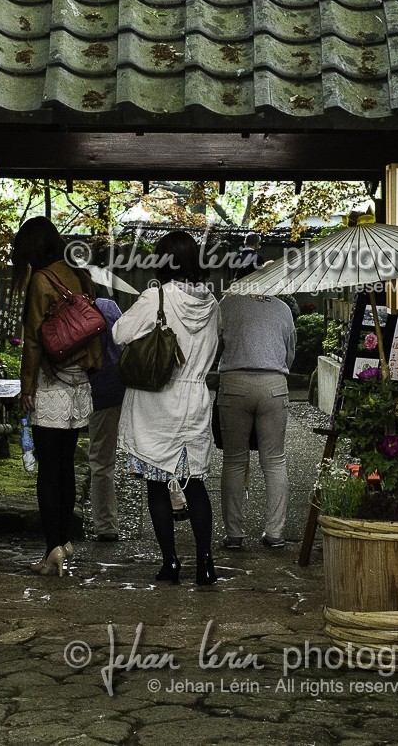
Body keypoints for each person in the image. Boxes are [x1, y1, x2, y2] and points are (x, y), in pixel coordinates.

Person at [113, 231, 221, 585]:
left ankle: (171, 563)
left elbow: (119, 334)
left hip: (156, 403)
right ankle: (205, 563)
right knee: (194, 485)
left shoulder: (156, 297)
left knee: (157, 486)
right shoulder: (213, 305)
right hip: (195, 401)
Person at [13, 216, 102, 577]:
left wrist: (27, 385)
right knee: (65, 466)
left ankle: (52, 550)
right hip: (79, 381)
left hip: (52, 383)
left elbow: (34, 339)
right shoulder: (77, 274)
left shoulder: (40, 279)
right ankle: (63, 540)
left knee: (48, 471)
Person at [216, 276, 296, 549]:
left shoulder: (226, 304)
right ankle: (275, 533)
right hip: (274, 383)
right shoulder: (282, 308)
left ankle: (235, 534)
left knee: (234, 461)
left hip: (235, 383)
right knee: (274, 461)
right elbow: (290, 353)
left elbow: (215, 346)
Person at [87, 295, 125, 542]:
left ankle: (106, 525)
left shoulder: (73, 309)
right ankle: (175, 499)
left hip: (97, 388)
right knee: (153, 451)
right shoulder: (109, 306)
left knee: (101, 461)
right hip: (123, 384)